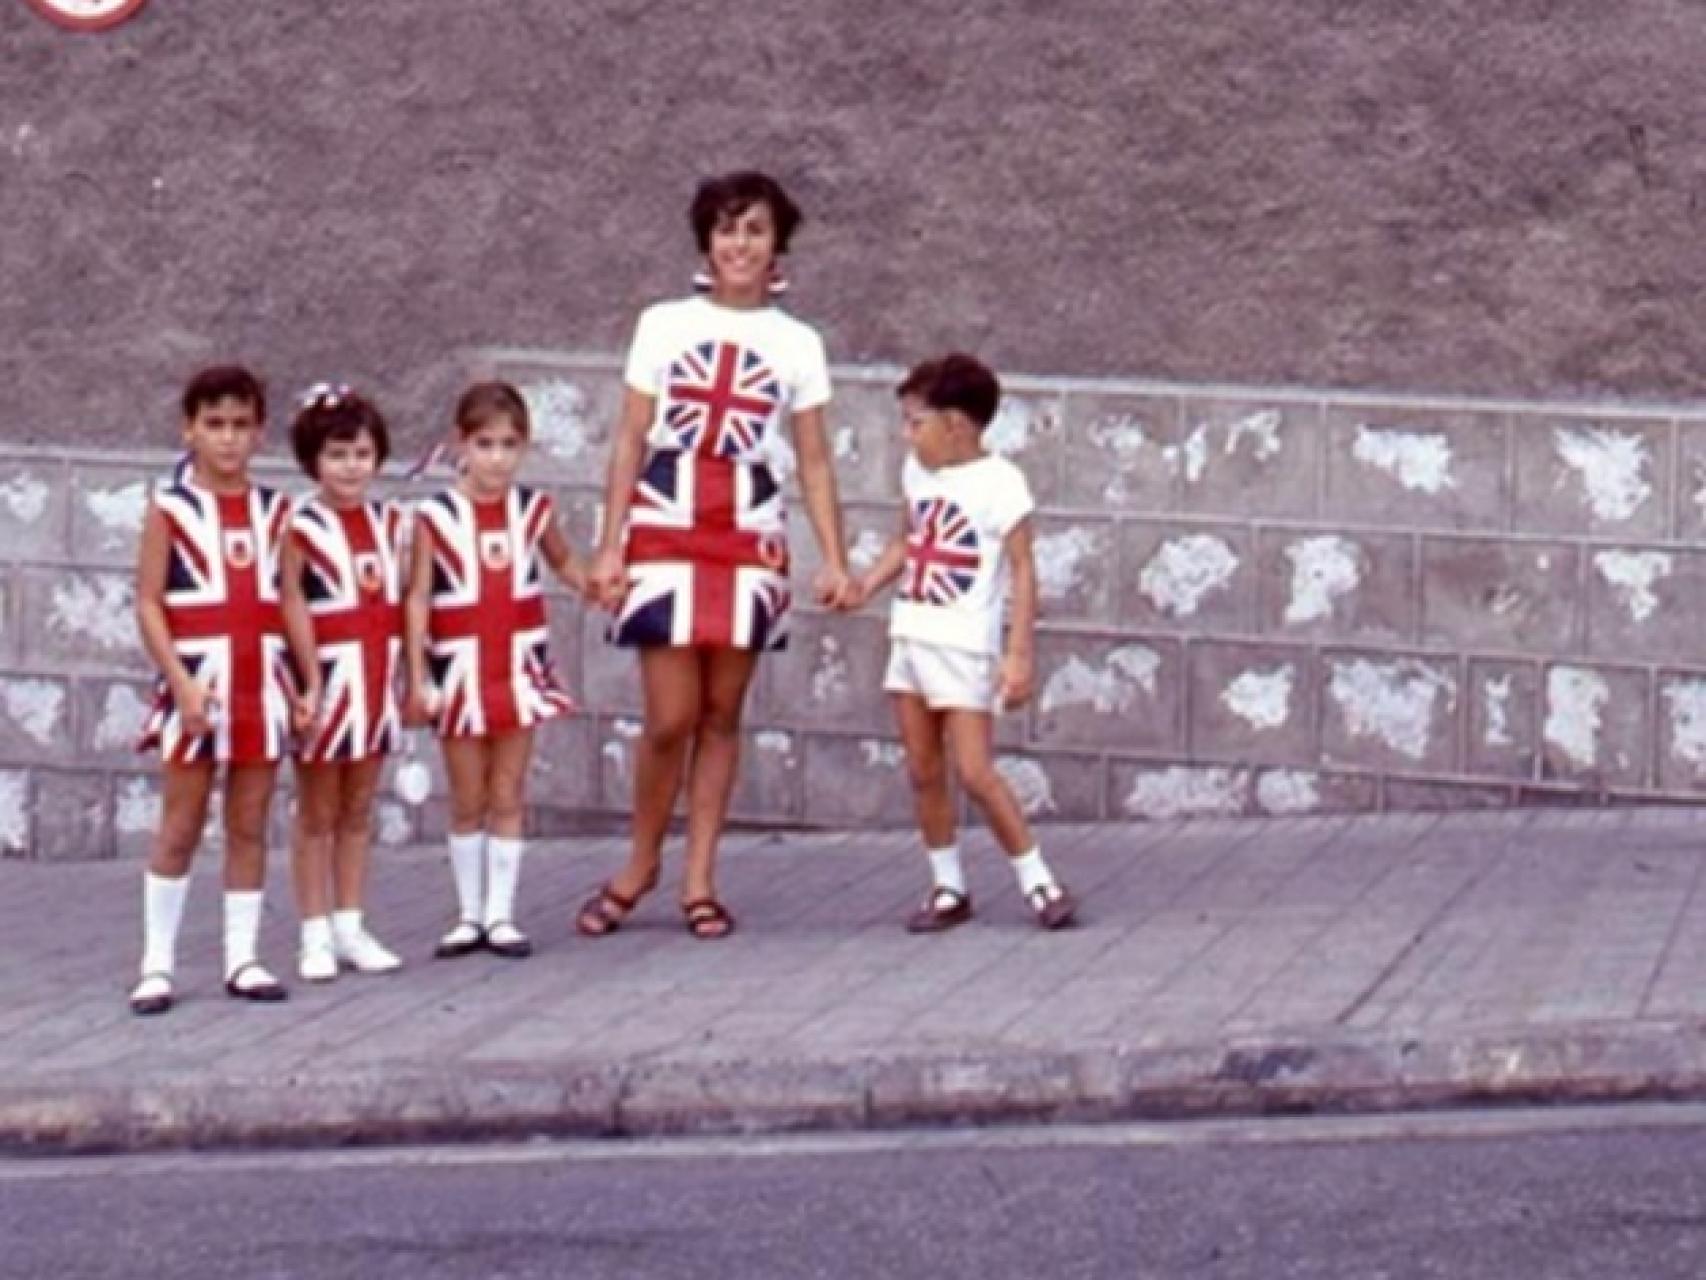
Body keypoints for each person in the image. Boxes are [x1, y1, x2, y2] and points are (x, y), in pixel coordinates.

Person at [582, 170, 854, 941]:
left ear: (777, 247)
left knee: (721, 713)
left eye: (756, 231)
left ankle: (701, 877)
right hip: (667, 515)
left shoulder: (799, 343)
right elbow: (631, 437)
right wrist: (610, 546)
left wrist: (832, 558)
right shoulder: (662, 323)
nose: (741, 244)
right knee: (669, 717)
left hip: (747, 523)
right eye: (729, 229)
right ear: (707, 239)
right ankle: (640, 863)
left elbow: (814, 460)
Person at [854, 354, 1076, 932]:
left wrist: (1018, 652)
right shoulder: (917, 472)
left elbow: (1024, 569)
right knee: (924, 769)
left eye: (916, 421)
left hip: (963, 643)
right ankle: (947, 884)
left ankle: (1038, 880)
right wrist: (864, 587)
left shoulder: (1002, 483)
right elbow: (910, 541)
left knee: (975, 771)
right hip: (912, 632)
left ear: (956, 423)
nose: (909, 434)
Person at [129, 365, 308, 1015]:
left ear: (259, 433)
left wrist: (306, 682)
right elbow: (149, 602)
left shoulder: (275, 510)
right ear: (190, 430)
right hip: (199, 685)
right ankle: (156, 965)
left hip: (260, 684)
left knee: (249, 823)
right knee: (179, 824)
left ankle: (244, 957)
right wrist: (180, 685)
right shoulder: (169, 508)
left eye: (240, 426)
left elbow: (289, 599)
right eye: (214, 425)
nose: (228, 439)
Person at [404, 381, 585, 961]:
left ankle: (502, 915)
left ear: (524, 447)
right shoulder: (434, 517)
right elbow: (416, 600)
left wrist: (607, 584)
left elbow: (566, 566)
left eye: (508, 445)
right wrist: (417, 676)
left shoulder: (532, 509)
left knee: (508, 789)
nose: (496, 458)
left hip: (516, 667)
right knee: (467, 795)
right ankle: (468, 914)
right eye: (484, 444)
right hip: (458, 668)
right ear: (460, 444)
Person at [278, 385, 406, 983]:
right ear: (312, 461)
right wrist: (307, 683)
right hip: (325, 683)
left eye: (360, 454)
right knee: (317, 812)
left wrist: (409, 682)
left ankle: (351, 924)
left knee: (358, 810)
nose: (350, 467)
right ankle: (314, 933)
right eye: (336, 455)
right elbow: (292, 603)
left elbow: (406, 606)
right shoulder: (297, 525)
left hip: (375, 682)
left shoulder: (391, 523)